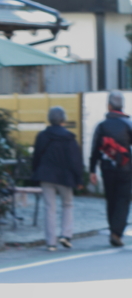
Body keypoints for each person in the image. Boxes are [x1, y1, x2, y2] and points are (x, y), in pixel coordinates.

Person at [31, 106, 84, 251]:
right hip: (64, 177)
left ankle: (50, 242)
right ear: (64, 120)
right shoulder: (69, 137)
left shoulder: (42, 136)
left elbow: (36, 157)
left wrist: (35, 173)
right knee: (67, 204)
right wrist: (79, 179)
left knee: (49, 208)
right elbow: (75, 160)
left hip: (46, 175)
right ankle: (66, 235)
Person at [89, 91, 132, 246]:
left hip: (107, 168)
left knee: (111, 199)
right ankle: (116, 232)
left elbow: (95, 150)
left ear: (108, 106)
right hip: (125, 168)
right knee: (123, 200)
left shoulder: (101, 126)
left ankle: (113, 229)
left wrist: (92, 170)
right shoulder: (128, 124)